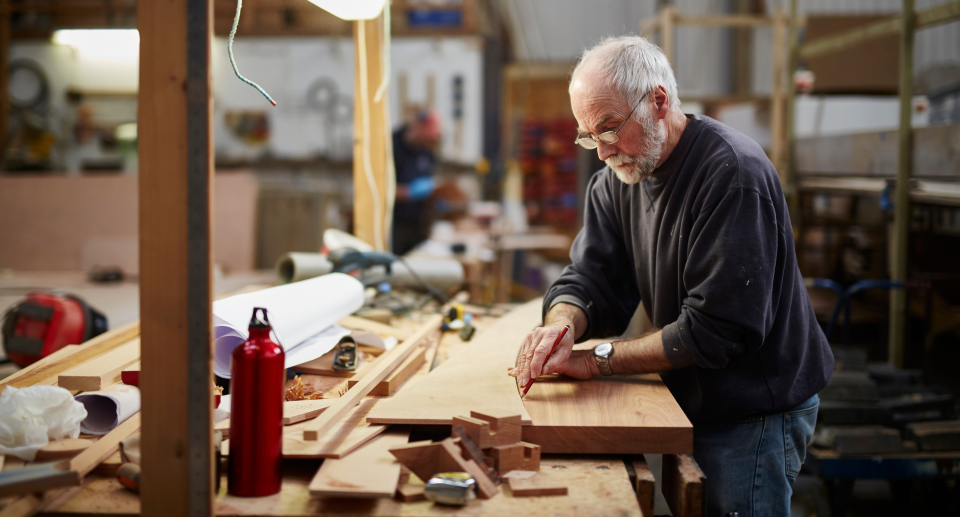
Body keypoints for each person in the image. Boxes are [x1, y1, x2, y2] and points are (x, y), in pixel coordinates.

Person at [509, 36, 834, 517]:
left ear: (659, 101)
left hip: (755, 410)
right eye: (587, 136)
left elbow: (714, 332)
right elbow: (590, 278)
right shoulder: (616, 181)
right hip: (693, 398)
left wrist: (596, 359)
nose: (601, 151)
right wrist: (563, 325)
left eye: (609, 128)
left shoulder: (732, 175)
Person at [392, 110, 441, 256]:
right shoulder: (390, 146)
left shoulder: (426, 152)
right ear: (418, 126)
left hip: (418, 224)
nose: (429, 143)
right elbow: (379, 190)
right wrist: (409, 192)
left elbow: (432, 180)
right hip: (395, 224)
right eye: (427, 138)